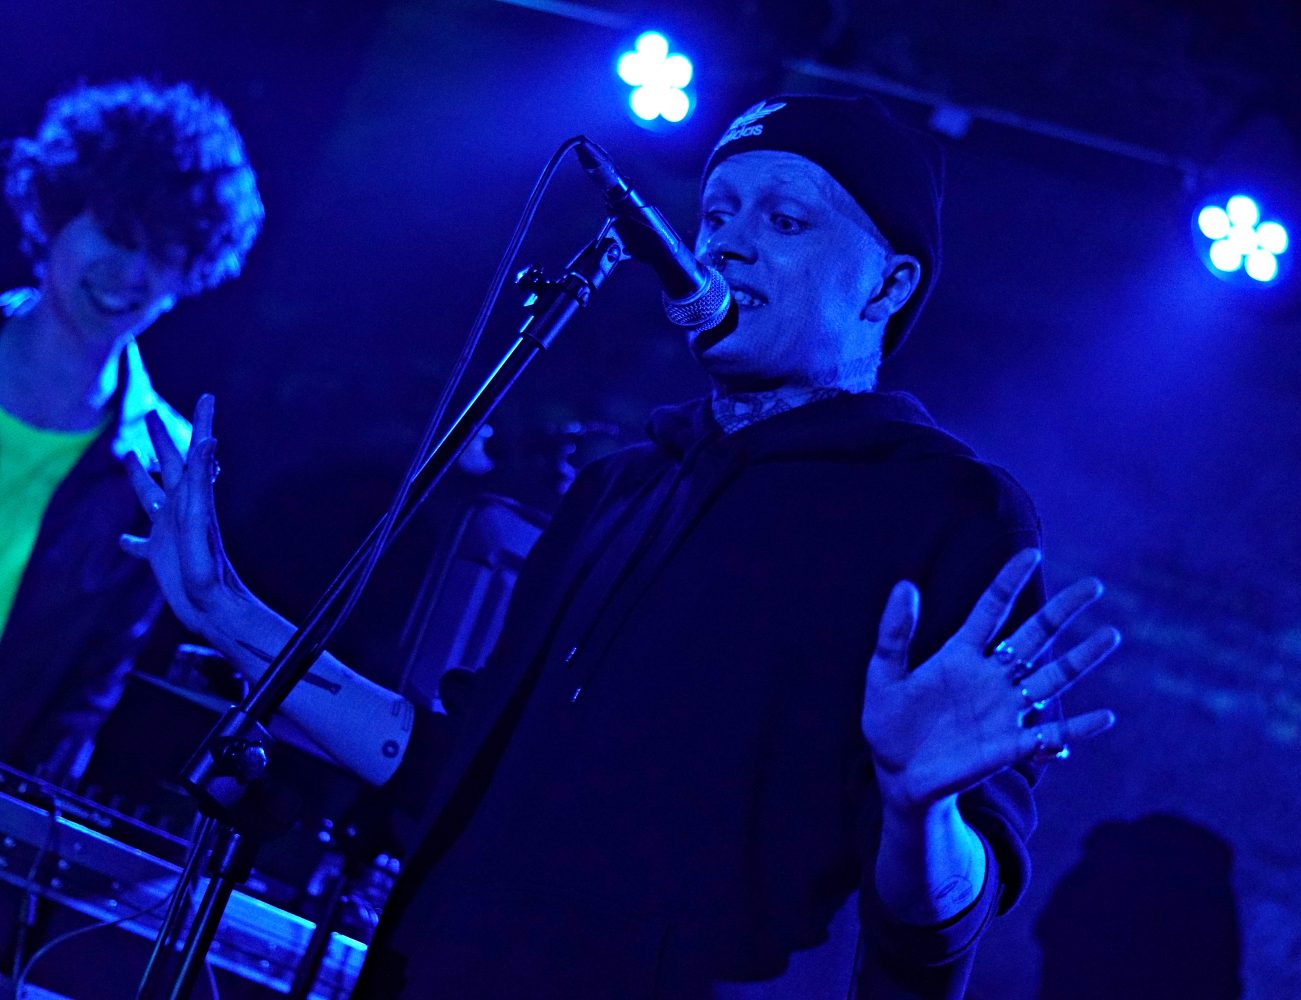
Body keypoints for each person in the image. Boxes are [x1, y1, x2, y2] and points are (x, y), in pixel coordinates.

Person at [125, 94, 1124, 997]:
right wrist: (225, 610)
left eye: (785, 221)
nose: (728, 246)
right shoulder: (620, 487)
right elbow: (447, 767)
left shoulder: (951, 511)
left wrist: (922, 813)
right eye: (717, 214)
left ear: (887, 286)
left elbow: (943, 925)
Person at [0, 78, 263, 783]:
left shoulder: (160, 469)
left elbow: (81, 704)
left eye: (165, 251)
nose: (131, 273)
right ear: (56, 212)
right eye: (117, 233)